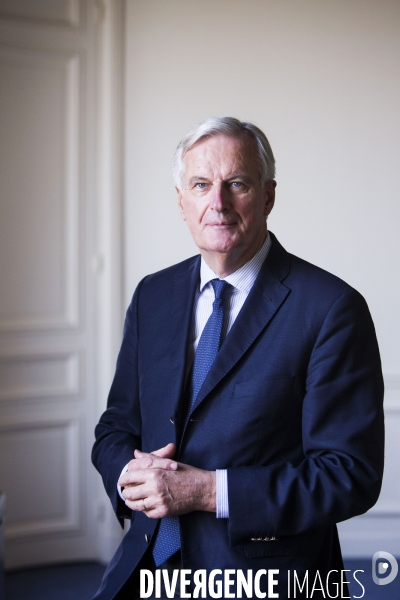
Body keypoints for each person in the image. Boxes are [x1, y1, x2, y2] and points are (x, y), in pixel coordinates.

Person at [92, 117, 384, 599]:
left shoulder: (331, 309)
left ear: (268, 196)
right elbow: (115, 428)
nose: (218, 203)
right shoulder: (153, 295)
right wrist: (131, 475)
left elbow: (349, 473)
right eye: (201, 185)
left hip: (270, 577)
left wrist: (208, 491)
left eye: (237, 184)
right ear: (181, 202)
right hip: (146, 565)